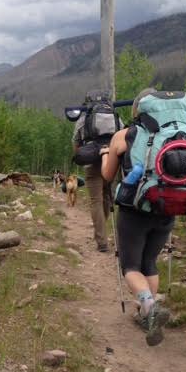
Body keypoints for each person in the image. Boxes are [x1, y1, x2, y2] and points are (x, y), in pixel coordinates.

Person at [99, 88, 174, 346]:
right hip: (167, 206)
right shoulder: (176, 133)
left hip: (134, 209)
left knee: (131, 266)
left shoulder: (124, 135)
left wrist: (105, 155)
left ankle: (149, 306)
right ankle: (148, 317)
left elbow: (108, 176)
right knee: (149, 262)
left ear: (137, 109)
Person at [72, 92, 114, 252]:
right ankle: (101, 229)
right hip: (110, 160)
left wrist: (81, 156)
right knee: (107, 196)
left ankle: (102, 241)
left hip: (91, 162)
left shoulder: (84, 118)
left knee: (95, 200)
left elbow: (75, 141)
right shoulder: (113, 116)